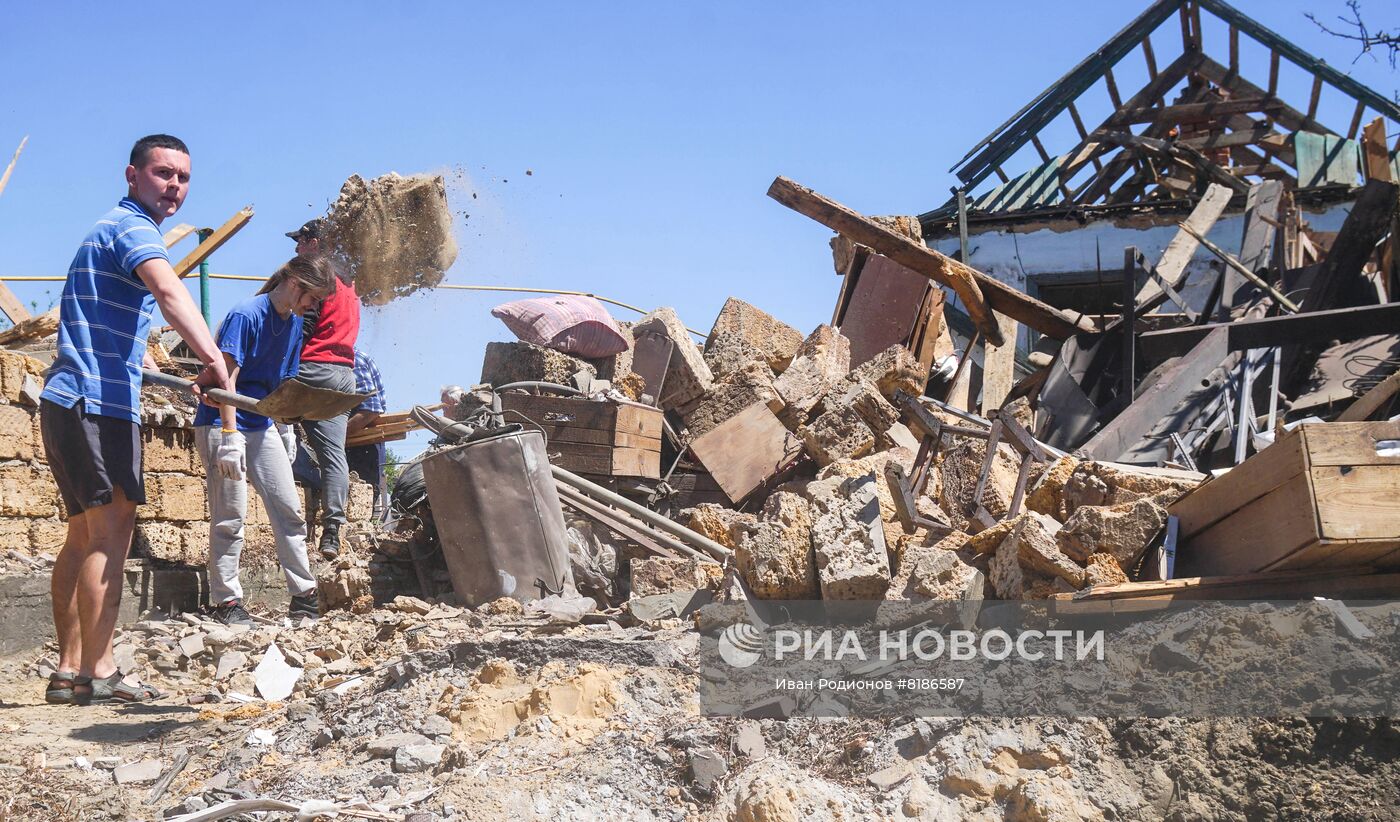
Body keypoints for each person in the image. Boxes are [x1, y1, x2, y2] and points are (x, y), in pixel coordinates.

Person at [40, 135, 233, 705]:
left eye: (183, 178)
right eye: (163, 174)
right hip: (96, 402)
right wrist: (214, 361)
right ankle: (100, 670)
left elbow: (118, 322)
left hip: (68, 398)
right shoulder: (134, 228)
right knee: (112, 533)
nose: (174, 186)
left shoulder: (106, 233)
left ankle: (68, 671)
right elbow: (171, 292)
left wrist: (150, 362)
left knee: (81, 535)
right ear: (133, 175)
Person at [194, 256, 337, 626]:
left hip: (260, 424)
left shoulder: (292, 325)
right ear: (294, 284)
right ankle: (226, 601)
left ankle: (304, 596)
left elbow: (283, 385)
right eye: (313, 298)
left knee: (288, 509)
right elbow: (225, 383)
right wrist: (229, 437)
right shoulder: (247, 315)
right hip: (221, 423)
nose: (314, 307)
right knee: (231, 516)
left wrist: (287, 427)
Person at [286, 219, 360, 559]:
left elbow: (307, 325)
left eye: (300, 242)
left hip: (314, 369)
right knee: (334, 455)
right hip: (345, 375)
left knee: (256, 412)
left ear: (314, 242)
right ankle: (331, 533)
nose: (297, 249)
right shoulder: (352, 281)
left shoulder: (319, 277)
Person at [346, 349, 387, 519]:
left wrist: (334, 438)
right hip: (351, 442)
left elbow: (370, 410)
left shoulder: (352, 359)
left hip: (363, 445)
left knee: (361, 507)